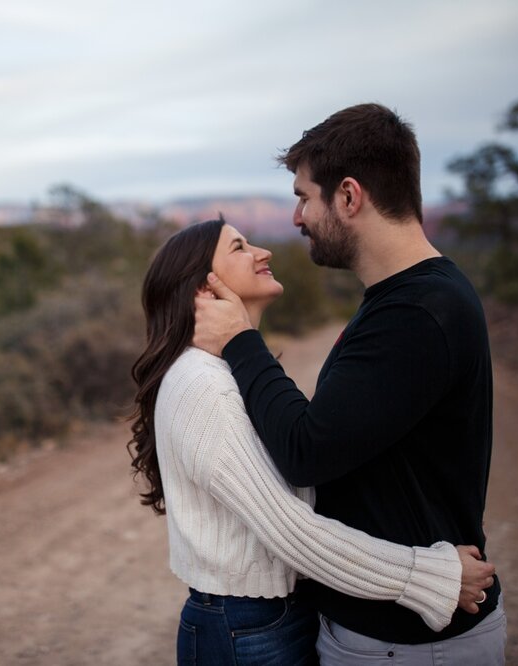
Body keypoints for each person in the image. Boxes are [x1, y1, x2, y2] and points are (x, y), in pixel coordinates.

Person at [192, 104, 505, 663]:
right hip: (391, 634)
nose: (296, 217)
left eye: (303, 196)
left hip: (407, 644)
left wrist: (241, 338)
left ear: (349, 197)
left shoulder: (416, 312)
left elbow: (307, 450)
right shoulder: (407, 300)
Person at [129, 216, 495, 666]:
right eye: (241, 247)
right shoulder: (203, 384)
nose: (263, 253)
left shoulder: (227, 371)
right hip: (247, 628)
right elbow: (291, 529)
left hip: (268, 616)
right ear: (204, 290)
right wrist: (429, 576)